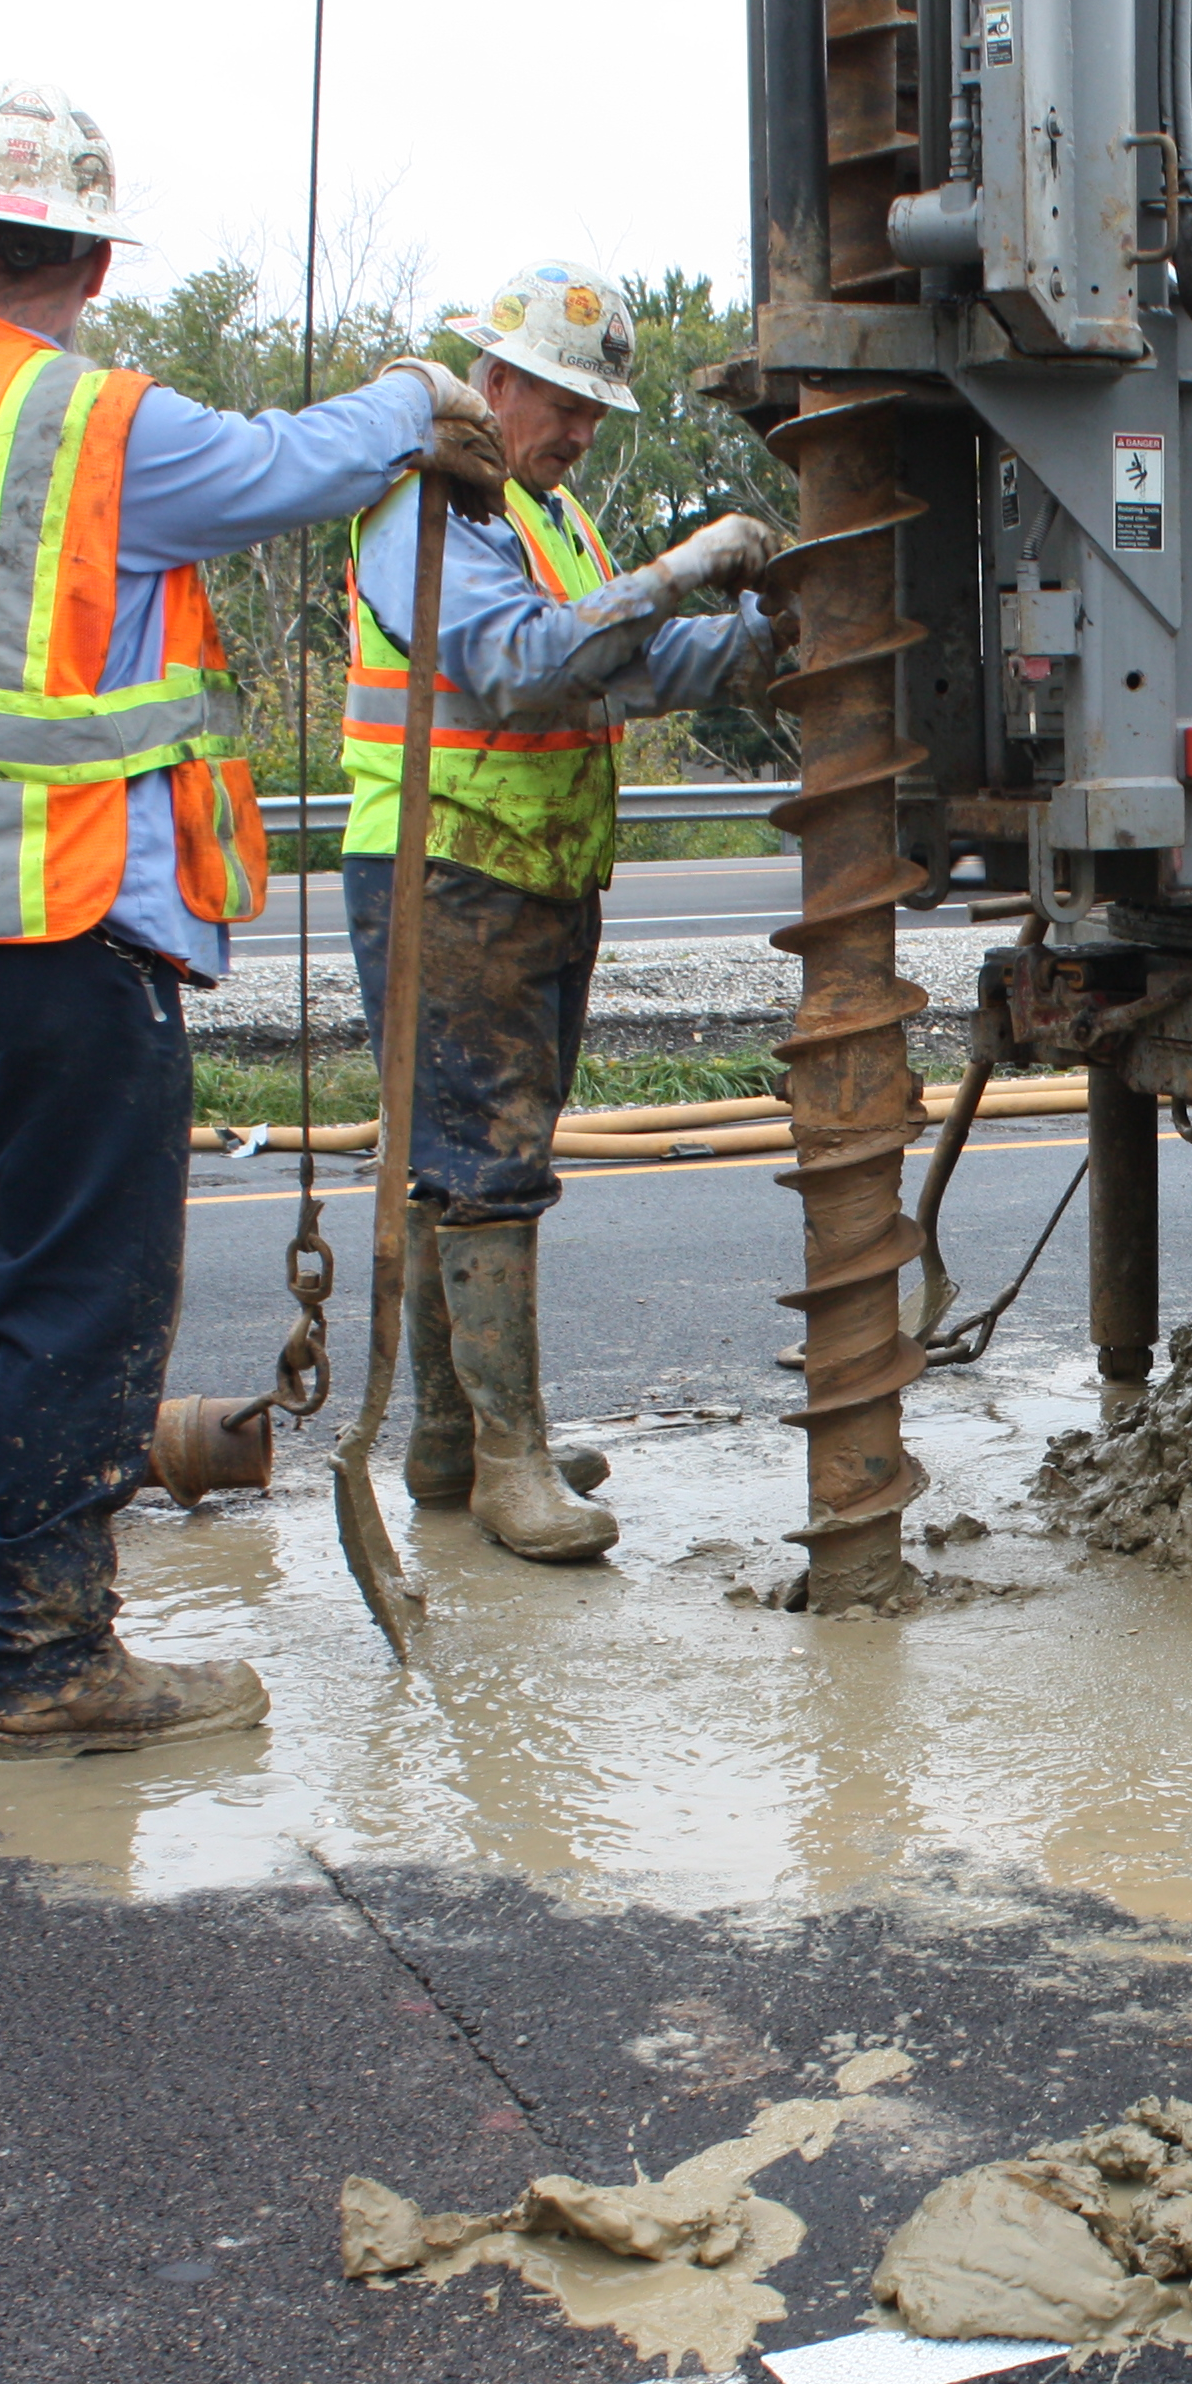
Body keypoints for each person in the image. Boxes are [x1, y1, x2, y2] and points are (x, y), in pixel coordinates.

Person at [0, 81, 508, 1758]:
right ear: (97, 257)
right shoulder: (87, 424)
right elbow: (284, 470)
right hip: (62, 925)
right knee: (83, 1296)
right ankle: (53, 1659)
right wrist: (417, 395)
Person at [340, 260, 789, 1563]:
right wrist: (691, 562)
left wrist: (762, 642)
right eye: (567, 404)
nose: (584, 432)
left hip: (530, 874)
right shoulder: (427, 512)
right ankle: (511, 1468)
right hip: (447, 870)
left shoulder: (550, 517)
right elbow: (525, 667)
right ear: (494, 383)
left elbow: (619, 665)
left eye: (596, 412)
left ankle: (455, 1444)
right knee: (484, 1165)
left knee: (455, 1159)